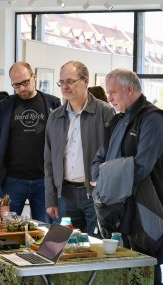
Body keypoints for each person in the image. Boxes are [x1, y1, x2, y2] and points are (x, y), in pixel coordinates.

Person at [91, 68, 163, 285]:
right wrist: (103, 175)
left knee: (148, 273)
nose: (109, 98)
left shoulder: (153, 118)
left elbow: (142, 165)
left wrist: (105, 177)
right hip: (117, 209)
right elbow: (98, 160)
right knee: (123, 272)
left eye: (113, 92)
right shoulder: (116, 119)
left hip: (145, 209)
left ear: (129, 89)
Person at [44, 61, 115, 237]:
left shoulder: (105, 112)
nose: (65, 86)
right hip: (65, 196)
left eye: (70, 81)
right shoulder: (55, 117)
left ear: (85, 81)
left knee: (97, 246)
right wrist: (51, 199)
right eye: (62, 82)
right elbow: (48, 161)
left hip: (95, 195)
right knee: (65, 246)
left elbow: (113, 156)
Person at [0, 61, 61, 223]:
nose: (21, 88)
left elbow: (60, 141)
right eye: (16, 85)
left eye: (25, 83)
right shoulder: (6, 105)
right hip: (12, 180)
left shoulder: (53, 103)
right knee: (6, 228)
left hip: (44, 180)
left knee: (44, 229)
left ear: (34, 77)